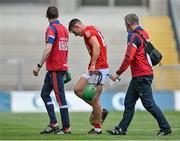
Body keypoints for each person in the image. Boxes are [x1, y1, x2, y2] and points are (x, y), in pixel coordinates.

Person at [107, 13, 172, 136]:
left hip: (141, 75)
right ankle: (121, 129)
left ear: (128, 24)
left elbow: (128, 57)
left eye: (125, 24)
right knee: (129, 102)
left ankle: (166, 127)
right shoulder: (144, 33)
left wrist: (117, 73)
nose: (125, 26)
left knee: (148, 104)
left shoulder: (132, 36)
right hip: (142, 74)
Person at [33, 6, 71, 135]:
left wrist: (38, 65)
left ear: (46, 16)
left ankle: (66, 128)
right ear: (58, 15)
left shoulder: (51, 29)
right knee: (44, 94)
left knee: (60, 98)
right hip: (58, 68)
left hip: (56, 69)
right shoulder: (64, 29)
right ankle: (53, 124)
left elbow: (49, 48)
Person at [68, 19, 109, 134]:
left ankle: (97, 128)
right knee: (77, 89)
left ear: (77, 26)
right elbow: (103, 46)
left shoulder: (87, 32)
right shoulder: (92, 28)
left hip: (98, 69)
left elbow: (97, 46)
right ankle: (100, 111)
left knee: (95, 99)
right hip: (96, 67)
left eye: (75, 32)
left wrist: (93, 64)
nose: (76, 35)